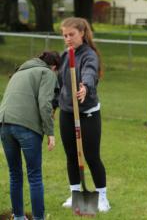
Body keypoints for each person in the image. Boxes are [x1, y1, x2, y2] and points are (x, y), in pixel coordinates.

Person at [56, 17, 110, 212]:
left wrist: (85, 87)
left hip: (87, 113)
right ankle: (75, 193)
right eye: (65, 35)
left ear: (82, 34)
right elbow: (59, 84)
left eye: (71, 34)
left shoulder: (89, 55)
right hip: (67, 113)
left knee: (91, 155)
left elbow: (90, 72)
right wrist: (54, 106)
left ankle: (102, 197)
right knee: (71, 155)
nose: (68, 38)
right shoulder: (65, 55)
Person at [0, 51, 61, 220]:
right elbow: (44, 104)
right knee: (34, 175)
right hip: (26, 127)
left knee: (15, 174)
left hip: (4, 124)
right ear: (54, 67)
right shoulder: (47, 73)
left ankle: (19, 217)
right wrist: (50, 132)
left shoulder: (19, 72)